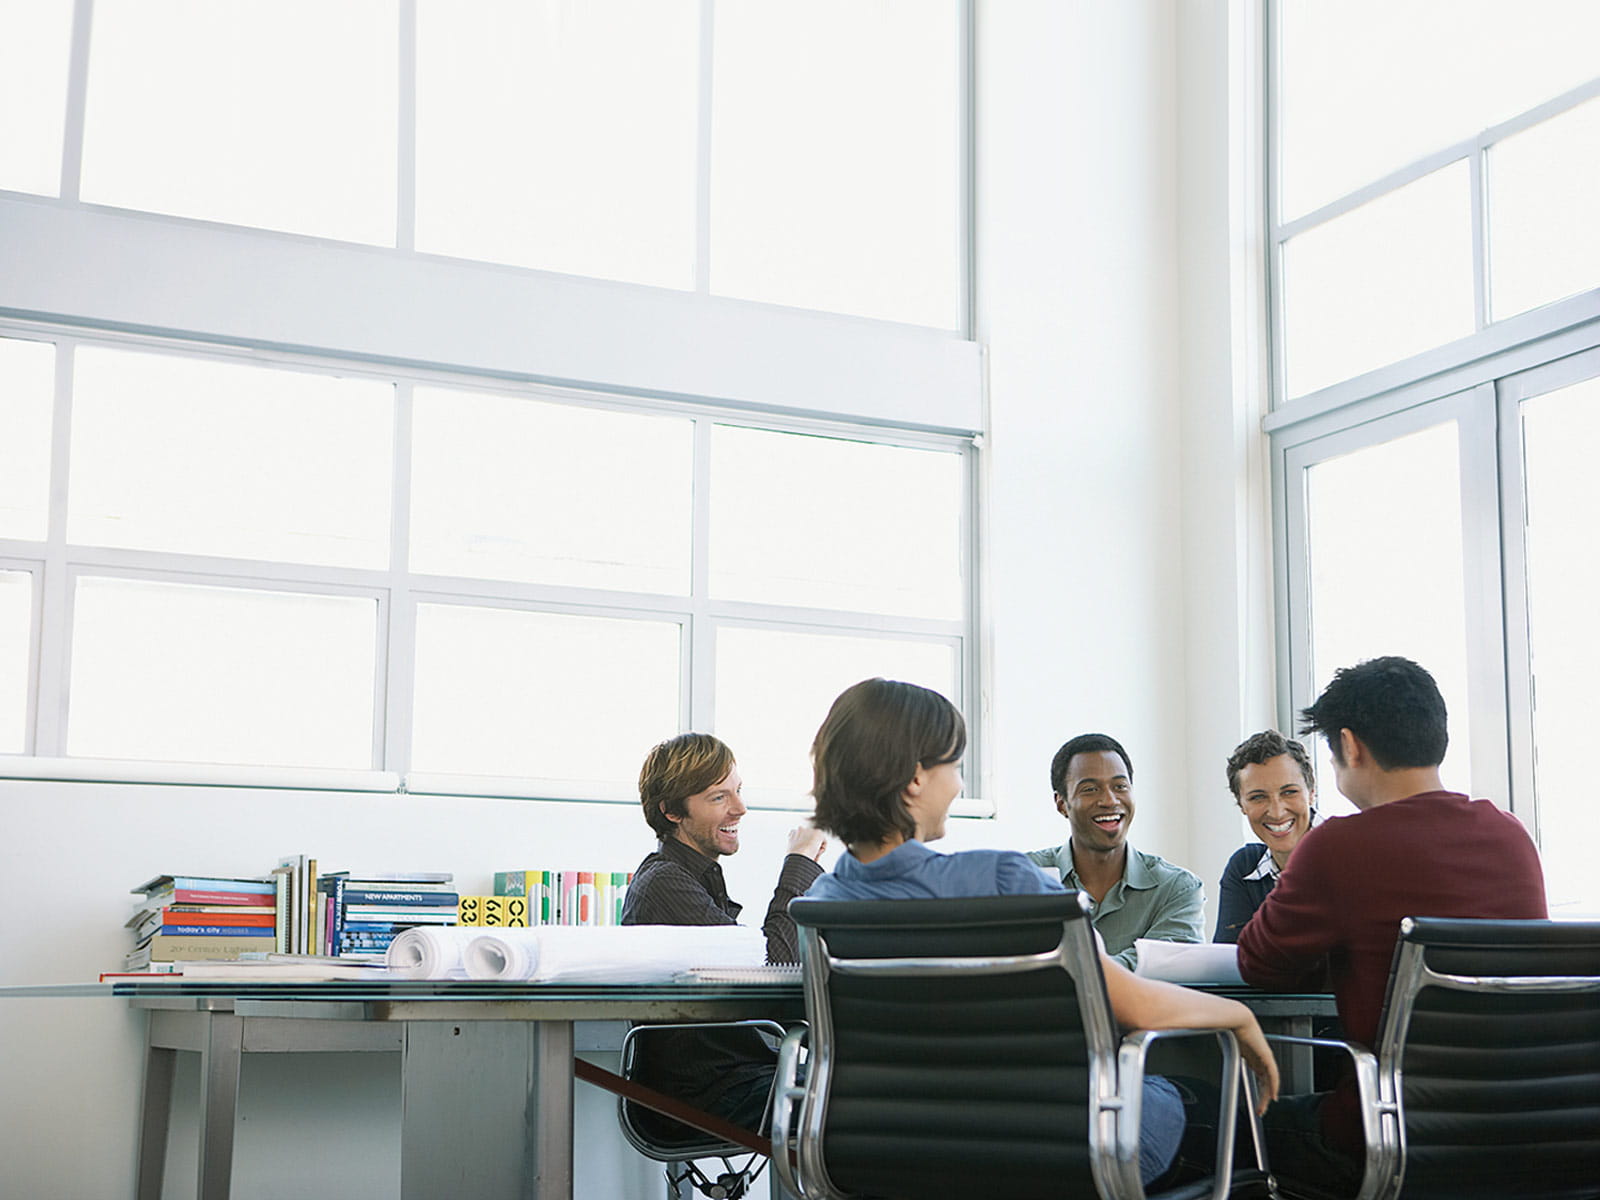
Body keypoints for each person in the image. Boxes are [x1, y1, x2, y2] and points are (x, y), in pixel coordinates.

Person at [805, 679, 1280, 1189]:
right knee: (1227, 1114)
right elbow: (1126, 1003)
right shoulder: (1003, 879)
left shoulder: (824, 903)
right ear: (916, 778)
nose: (959, 785)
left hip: (887, 1153)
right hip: (1056, 1148)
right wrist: (1238, 1016)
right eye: (955, 766)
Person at [1237, 657, 1547, 1195]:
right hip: (1524, 1135)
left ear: (1350, 746)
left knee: (1206, 1117)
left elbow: (1257, 962)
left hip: (1381, 1139)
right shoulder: (1512, 836)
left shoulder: (1337, 846)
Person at [620, 732, 828, 1134]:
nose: (740, 808)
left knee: (870, 1086)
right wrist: (799, 863)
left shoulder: (693, 879)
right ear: (672, 812)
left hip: (740, 1077)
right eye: (719, 797)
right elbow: (772, 968)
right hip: (704, 1096)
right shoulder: (665, 885)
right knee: (865, 1100)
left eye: (738, 791)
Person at [1027, 733, 1204, 967]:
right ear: (1062, 804)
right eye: (1090, 789)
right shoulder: (1026, 876)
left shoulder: (1177, 889)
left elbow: (1168, 967)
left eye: (1120, 786)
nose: (1110, 801)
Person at [1213, 730, 1318, 943]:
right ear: (1241, 805)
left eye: (1289, 792)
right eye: (1258, 797)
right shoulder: (1245, 868)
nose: (1277, 812)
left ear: (1312, 792)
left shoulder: (1351, 852)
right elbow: (1229, 957)